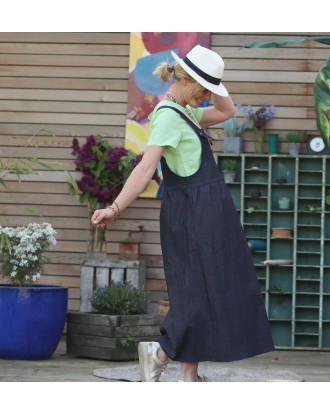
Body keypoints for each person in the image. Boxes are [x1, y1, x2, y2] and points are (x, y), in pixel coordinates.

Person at [91, 45, 274, 382]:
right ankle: (161, 354)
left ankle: (187, 370)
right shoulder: (166, 116)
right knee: (194, 289)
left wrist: (210, 79)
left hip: (209, 208)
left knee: (212, 285)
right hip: (191, 212)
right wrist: (116, 207)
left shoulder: (186, 112)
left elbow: (228, 109)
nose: (207, 96)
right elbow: (146, 169)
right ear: (189, 82)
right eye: (204, 89)